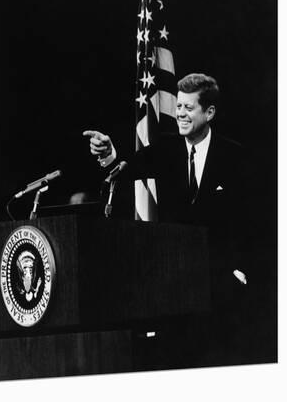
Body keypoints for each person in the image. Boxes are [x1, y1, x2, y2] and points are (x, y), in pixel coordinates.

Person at [83, 73, 252, 365]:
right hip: (178, 291)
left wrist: (241, 270)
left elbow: (253, 220)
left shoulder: (234, 156)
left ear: (209, 112)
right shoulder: (166, 150)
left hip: (225, 290)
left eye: (188, 108)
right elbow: (128, 169)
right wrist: (109, 155)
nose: (180, 114)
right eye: (178, 107)